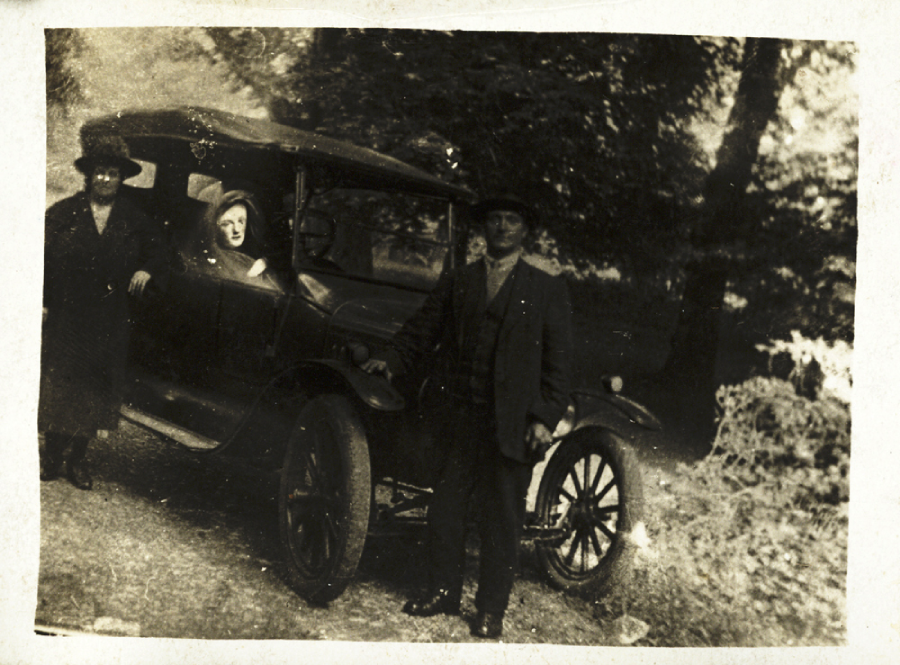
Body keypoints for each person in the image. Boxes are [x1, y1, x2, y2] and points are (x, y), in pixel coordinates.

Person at [362, 194, 573, 638]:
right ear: (483, 230)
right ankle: (443, 592)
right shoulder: (459, 281)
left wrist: (543, 419)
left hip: (512, 427)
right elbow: (422, 329)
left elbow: (560, 366)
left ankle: (491, 610)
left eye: (511, 221)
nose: (501, 228)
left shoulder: (545, 289)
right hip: (459, 420)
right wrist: (392, 361)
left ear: (524, 231)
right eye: (494, 220)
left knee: (502, 520)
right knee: (446, 510)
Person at [40, 135, 167, 490]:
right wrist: (44, 302)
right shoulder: (62, 214)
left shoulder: (134, 219)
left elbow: (162, 253)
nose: (105, 180)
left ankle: (77, 460)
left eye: (112, 173)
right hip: (68, 314)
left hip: (109, 319)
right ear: (89, 176)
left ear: (122, 178)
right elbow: (40, 260)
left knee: (95, 391)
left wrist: (147, 270)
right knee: (60, 385)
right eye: (100, 172)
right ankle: (51, 456)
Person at [193, 188, 280, 289]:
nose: (237, 230)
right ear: (214, 227)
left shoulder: (251, 257)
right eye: (227, 224)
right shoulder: (212, 263)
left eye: (241, 221)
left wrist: (265, 263)